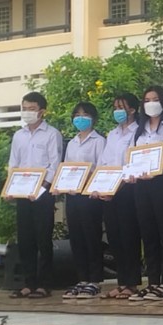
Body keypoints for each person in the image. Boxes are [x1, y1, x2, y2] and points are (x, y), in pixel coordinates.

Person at [7, 92, 64, 300]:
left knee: (43, 239)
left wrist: (41, 189)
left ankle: (44, 284)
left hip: (42, 194)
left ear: (42, 111)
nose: (27, 112)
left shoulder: (52, 134)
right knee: (25, 239)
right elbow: (13, 164)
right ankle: (28, 283)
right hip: (22, 193)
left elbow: (54, 165)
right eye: (24, 108)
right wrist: (10, 188)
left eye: (31, 109)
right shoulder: (18, 135)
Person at [130, 86, 163, 302]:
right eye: (147, 100)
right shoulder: (139, 130)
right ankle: (152, 281)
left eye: (155, 99)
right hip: (142, 185)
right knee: (148, 233)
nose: (151, 103)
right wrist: (132, 172)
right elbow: (133, 157)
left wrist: (160, 167)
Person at [56, 102, 105, 300]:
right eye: (77, 114)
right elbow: (67, 167)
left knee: (91, 236)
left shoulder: (99, 141)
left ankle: (95, 279)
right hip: (73, 194)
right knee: (76, 237)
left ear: (93, 118)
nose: (80, 118)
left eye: (85, 114)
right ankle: (82, 278)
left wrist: (86, 176)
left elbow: (101, 167)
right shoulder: (72, 143)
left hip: (90, 195)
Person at [95, 93, 142, 300]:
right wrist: (100, 187)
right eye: (115, 108)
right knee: (115, 238)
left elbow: (133, 163)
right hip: (109, 191)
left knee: (129, 237)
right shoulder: (112, 134)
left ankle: (132, 283)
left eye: (121, 107)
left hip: (128, 190)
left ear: (132, 109)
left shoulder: (139, 132)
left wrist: (116, 186)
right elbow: (104, 163)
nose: (117, 112)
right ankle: (121, 282)